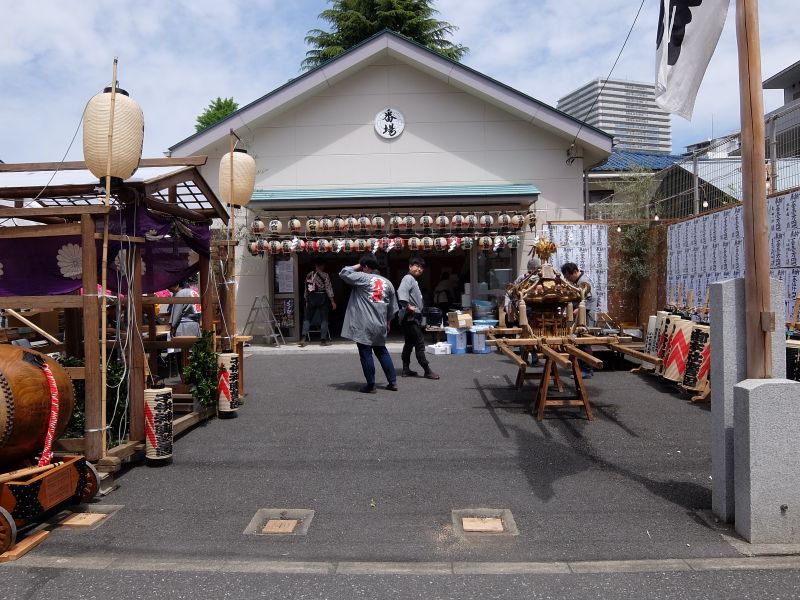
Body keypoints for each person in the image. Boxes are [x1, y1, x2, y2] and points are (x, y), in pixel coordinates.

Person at [340, 255, 399, 394]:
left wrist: (359, 265)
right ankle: (392, 382)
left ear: (366, 267)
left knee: (365, 353)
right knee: (382, 351)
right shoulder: (388, 283)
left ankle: (371, 385)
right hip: (380, 324)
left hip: (364, 324)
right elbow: (392, 308)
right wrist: (388, 322)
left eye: (363, 267)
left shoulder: (363, 277)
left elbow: (344, 273)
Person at [397, 256, 440, 380]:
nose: (419, 269)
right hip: (410, 317)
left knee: (409, 343)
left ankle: (405, 369)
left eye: (421, 267)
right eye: (417, 266)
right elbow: (401, 292)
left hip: (411, 317)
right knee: (420, 343)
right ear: (410, 266)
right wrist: (407, 306)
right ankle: (427, 370)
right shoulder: (408, 278)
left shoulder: (413, 280)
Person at [560, 262, 597, 378]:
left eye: (568, 276)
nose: (567, 279)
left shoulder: (583, 281)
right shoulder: (577, 282)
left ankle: (587, 369)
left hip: (586, 316)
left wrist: (578, 309)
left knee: (584, 342)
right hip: (582, 314)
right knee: (580, 342)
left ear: (575, 272)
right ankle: (584, 368)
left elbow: (591, 298)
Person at [299, 259, 337, 347]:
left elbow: (306, 288)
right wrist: (332, 301)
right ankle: (323, 340)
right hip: (322, 296)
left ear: (315, 266)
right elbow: (328, 288)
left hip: (311, 297)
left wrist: (306, 299)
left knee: (307, 318)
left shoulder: (309, 275)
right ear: (322, 266)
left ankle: (303, 338)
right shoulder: (325, 275)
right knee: (324, 319)